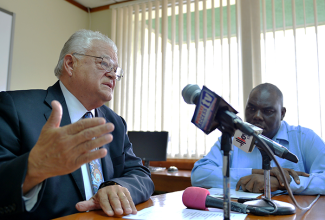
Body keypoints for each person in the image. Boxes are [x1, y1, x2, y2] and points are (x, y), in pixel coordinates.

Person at [0, 29, 154, 220]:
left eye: (116, 70)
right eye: (104, 63)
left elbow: (140, 174)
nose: (113, 75)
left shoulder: (115, 122)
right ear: (70, 64)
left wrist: (117, 187)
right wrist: (32, 169)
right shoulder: (15, 108)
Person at [191, 83, 325, 195]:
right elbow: (199, 174)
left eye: (267, 111)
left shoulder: (304, 138)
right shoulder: (235, 138)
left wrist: (281, 183)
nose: (257, 116)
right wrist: (256, 173)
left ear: (282, 114)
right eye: (251, 108)